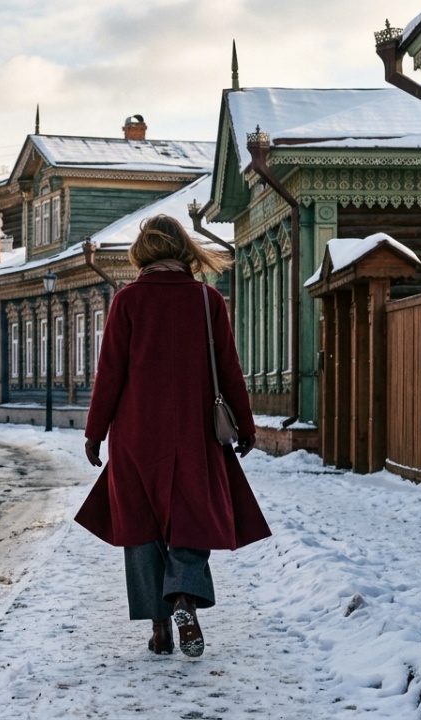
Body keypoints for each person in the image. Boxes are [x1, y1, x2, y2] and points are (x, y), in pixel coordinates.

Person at [75, 214, 271, 659]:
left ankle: (160, 629)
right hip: (195, 432)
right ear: (184, 248)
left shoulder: (127, 301)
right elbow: (229, 369)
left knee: (141, 527)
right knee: (192, 517)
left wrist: (94, 433)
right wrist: (245, 424)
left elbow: (110, 374)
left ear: (143, 251)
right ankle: (184, 596)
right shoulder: (207, 300)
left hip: (135, 433)